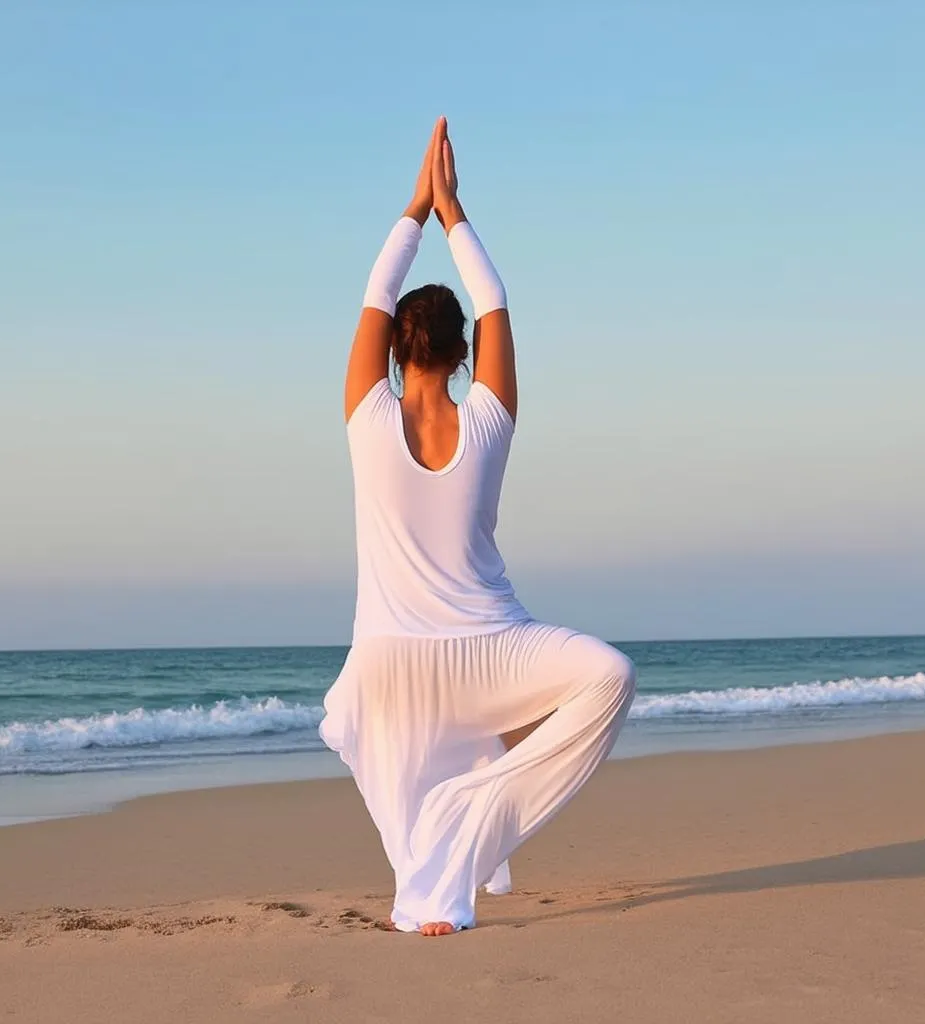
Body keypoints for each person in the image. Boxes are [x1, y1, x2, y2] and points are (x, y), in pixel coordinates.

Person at [320, 117, 637, 936]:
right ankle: (467, 827)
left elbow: (372, 297)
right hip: (490, 654)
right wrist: (454, 212)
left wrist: (415, 209)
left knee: (424, 804)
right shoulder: (491, 419)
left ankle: (436, 887)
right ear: (464, 356)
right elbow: (496, 301)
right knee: (608, 678)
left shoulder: (364, 414)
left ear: (393, 354)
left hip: (390, 668)